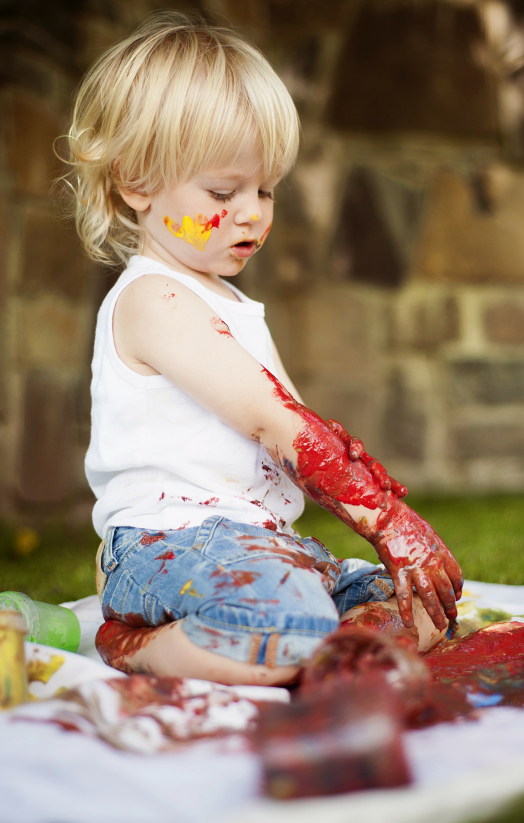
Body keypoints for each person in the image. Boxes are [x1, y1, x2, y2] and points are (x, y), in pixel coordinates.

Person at [68, 11, 463, 687]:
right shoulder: (154, 301)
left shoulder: (230, 302)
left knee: (417, 611)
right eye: (223, 192)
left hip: (264, 548)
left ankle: (285, 648)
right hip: (168, 546)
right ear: (136, 183)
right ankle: (135, 644)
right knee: (298, 624)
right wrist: (390, 519)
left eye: (266, 189)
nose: (252, 211)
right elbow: (272, 421)